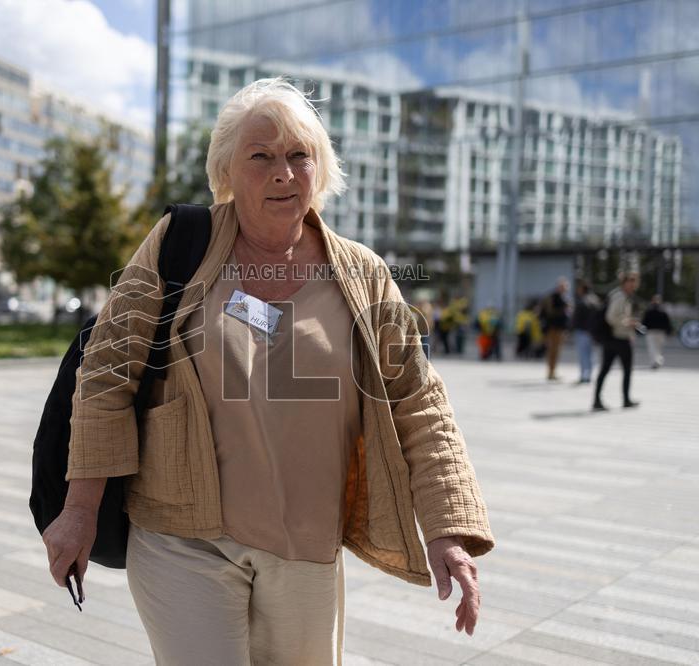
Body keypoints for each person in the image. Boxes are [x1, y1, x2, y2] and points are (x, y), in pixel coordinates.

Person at [41, 79, 494, 664]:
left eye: (299, 155)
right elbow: (106, 372)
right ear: (227, 168)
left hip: (308, 545)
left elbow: (419, 402)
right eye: (261, 156)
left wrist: (446, 530)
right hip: (183, 537)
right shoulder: (182, 244)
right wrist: (78, 511)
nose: (283, 172)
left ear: (321, 168)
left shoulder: (364, 274)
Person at [593, 272, 641, 411]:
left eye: (635, 282)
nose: (633, 285)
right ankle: (623, 399)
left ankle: (600, 399)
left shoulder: (620, 296)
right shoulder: (619, 297)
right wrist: (628, 323)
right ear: (624, 283)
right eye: (631, 282)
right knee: (622, 370)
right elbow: (611, 317)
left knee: (606, 370)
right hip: (618, 338)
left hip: (614, 338)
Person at [541, 277, 570, 380]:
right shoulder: (553, 297)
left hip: (560, 328)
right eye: (564, 286)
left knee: (557, 351)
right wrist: (564, 309)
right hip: (553, 328)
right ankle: (551, 372)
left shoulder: (562, 297)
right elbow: (550, 312)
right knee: (553, 350)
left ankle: (553, 371)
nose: (566, 288)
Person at [571, 280, 600, 383]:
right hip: (592, 332)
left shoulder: (582, 301)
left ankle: (584, 376)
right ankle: (589, 375)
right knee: (591, 355)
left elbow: (576, 318)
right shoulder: (595, 300)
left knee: (583, 355)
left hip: (582, 331)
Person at [642, 295, 673, 369]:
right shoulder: (663, 311)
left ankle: (656, 361)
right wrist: (669, 332)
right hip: (660, 333)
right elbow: (667, 324)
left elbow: (644, 322)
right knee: (658, 348)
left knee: (653, 348)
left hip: (652, 332)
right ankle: (657, 361)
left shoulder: (648, 311)